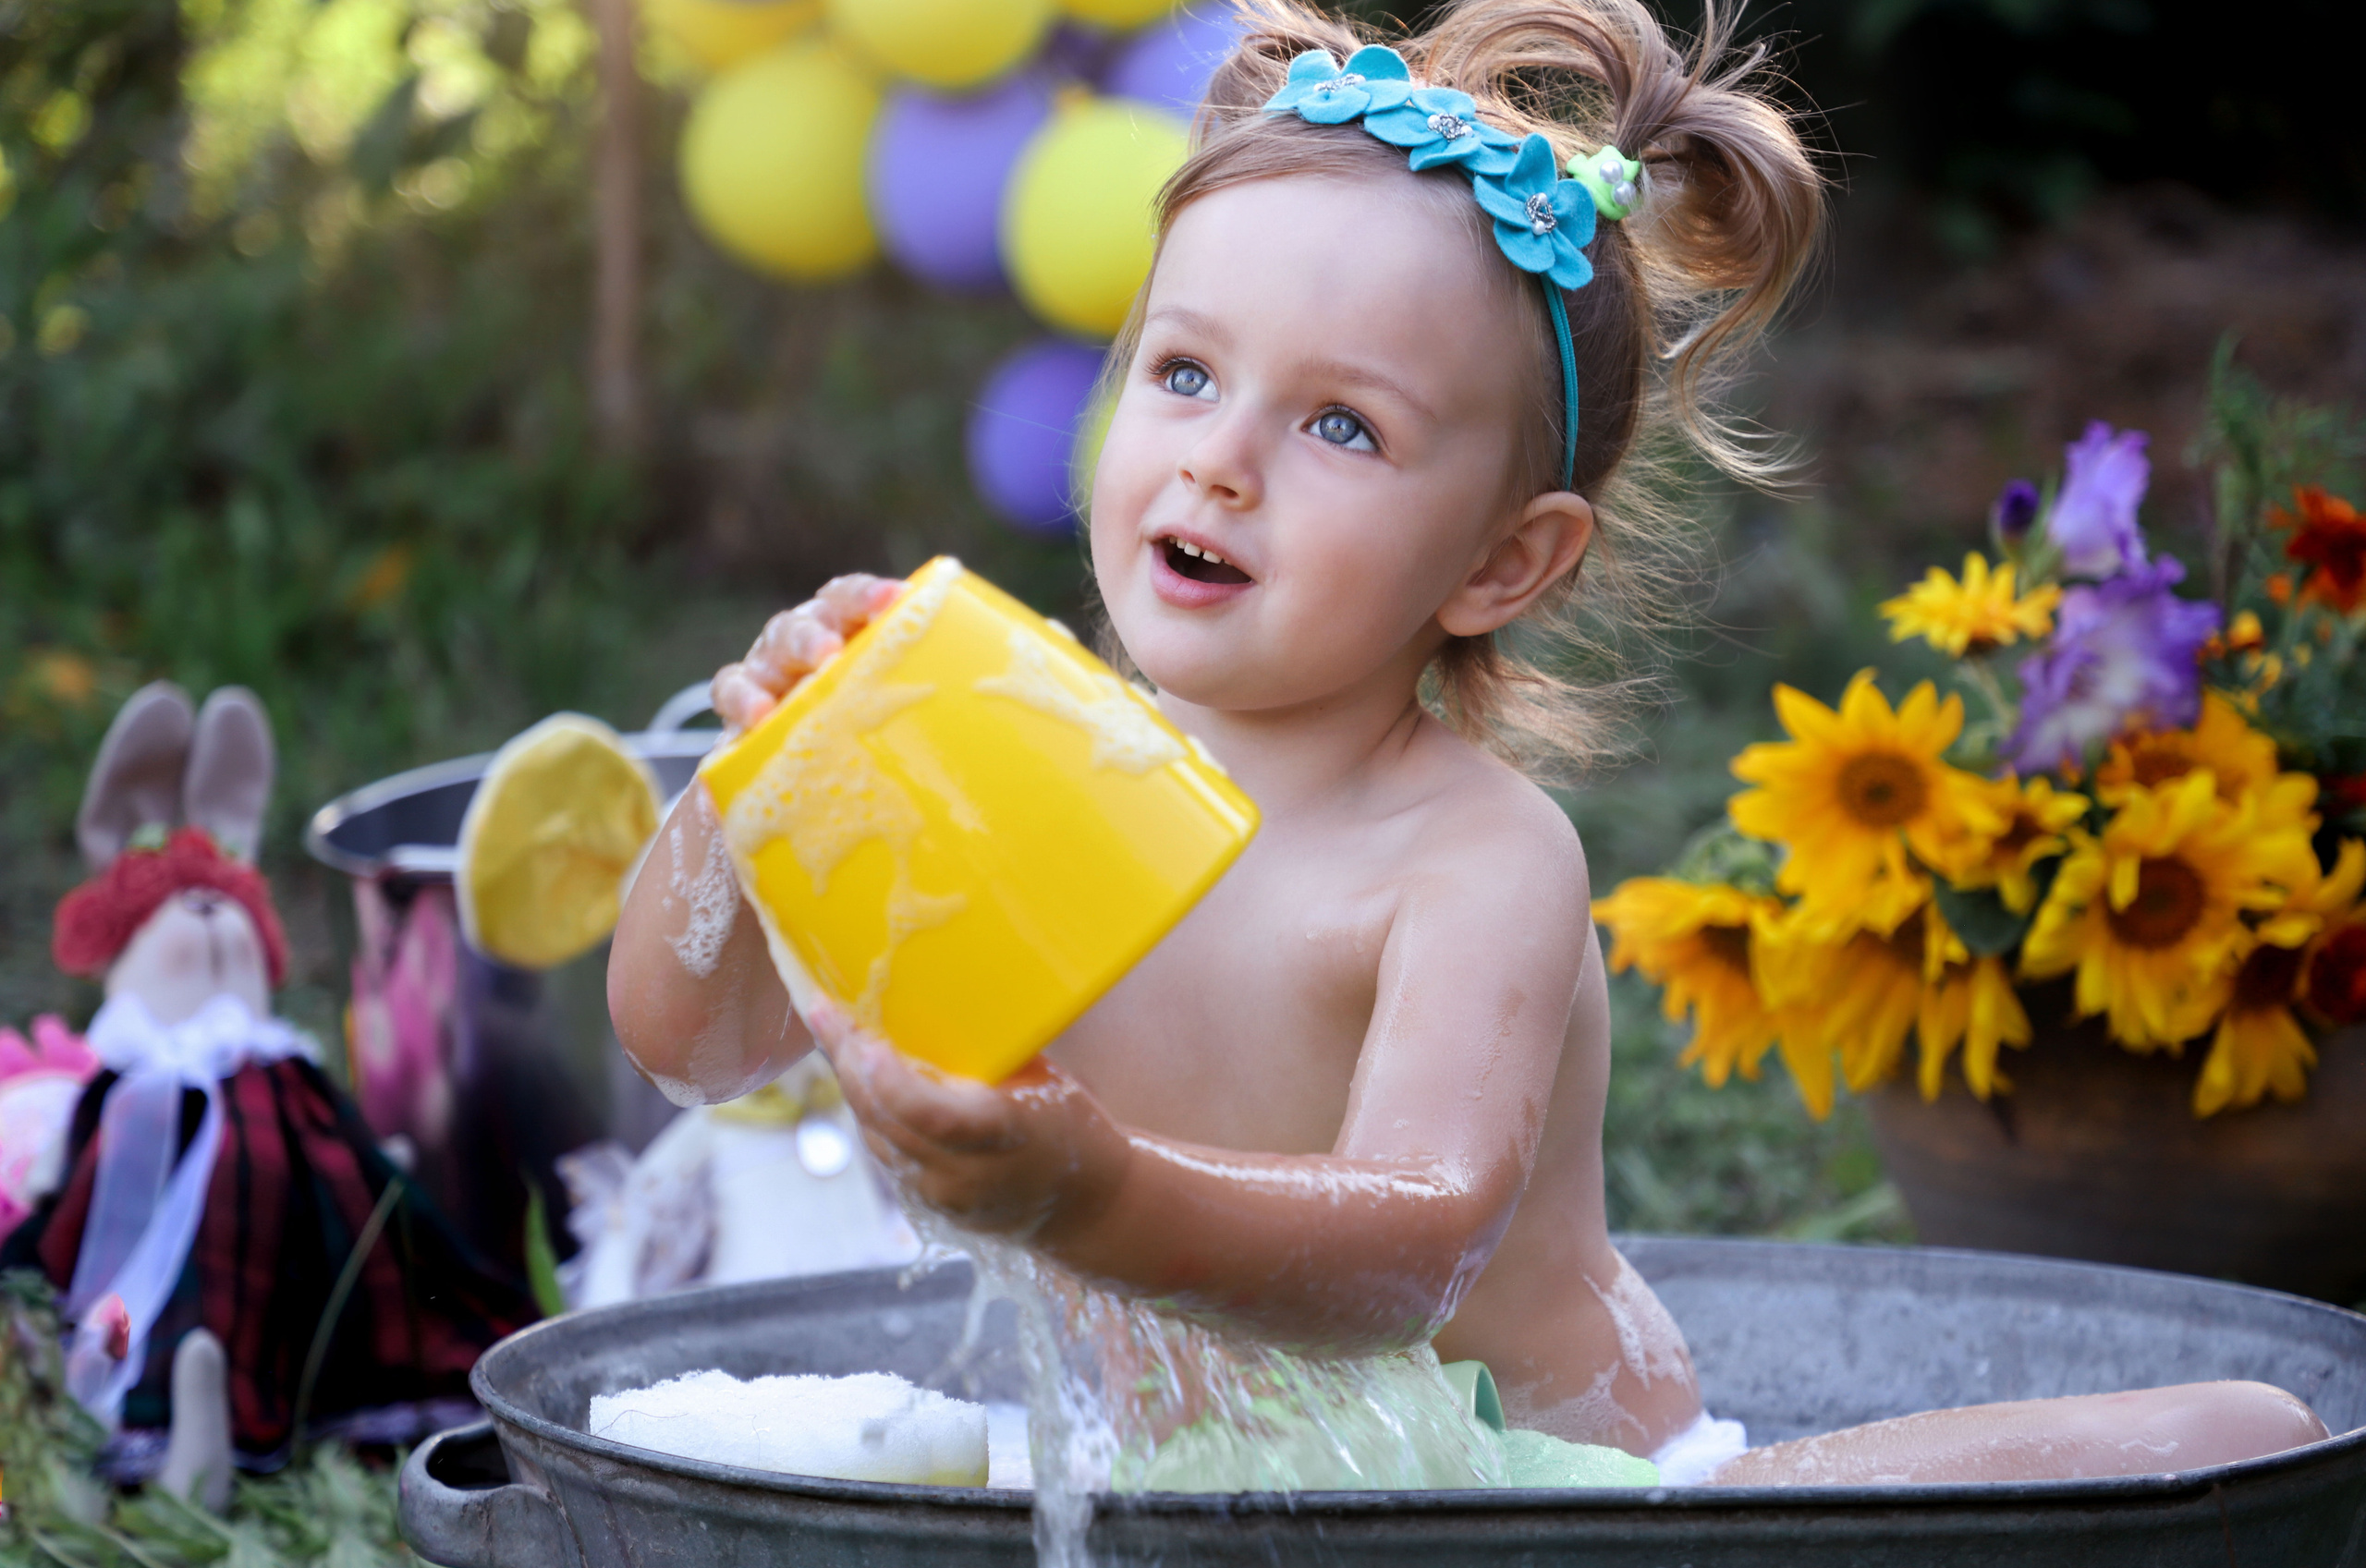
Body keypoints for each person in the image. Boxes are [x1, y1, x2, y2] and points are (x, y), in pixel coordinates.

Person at [608, 0, 2325, 1487]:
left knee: (2248, 1429)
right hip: (1201, 1488)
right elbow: (694, 1037)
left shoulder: (1469, 855)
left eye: (1342, 424)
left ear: (1506, 560)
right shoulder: (1008, 750)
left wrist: (1090, 1190)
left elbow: (1414, 1243)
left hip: (1547, 1493)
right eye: (1186, 373)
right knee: (684, 1442)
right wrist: (764, 777)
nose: (1219, 461)